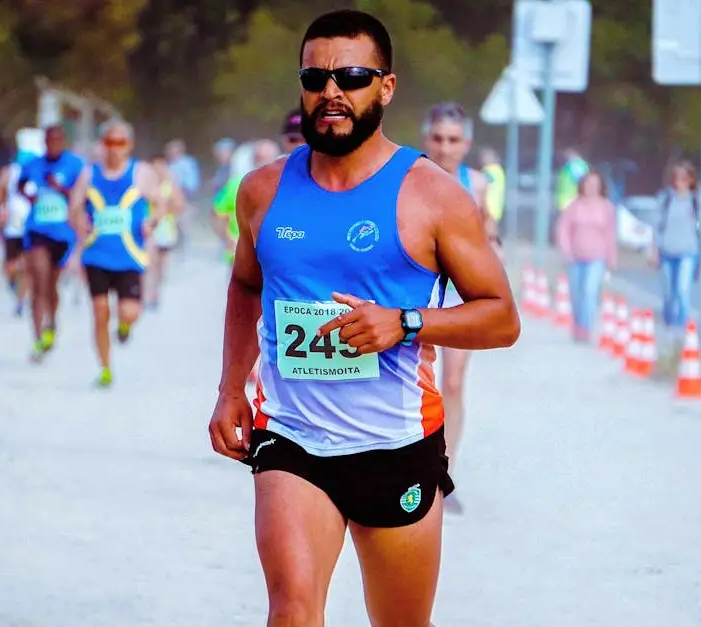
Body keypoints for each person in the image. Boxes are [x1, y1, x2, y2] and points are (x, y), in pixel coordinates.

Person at [207, 9, 520, 625]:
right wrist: (229, 388)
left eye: (350, 76)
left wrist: (403, 323)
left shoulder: (431, 195)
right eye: (315, 76)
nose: (331, 92)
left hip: (396, 445)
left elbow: (501, 318)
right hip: (293, 439)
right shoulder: (261, 190)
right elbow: (245, 283)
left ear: (386, 86)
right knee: (291, 611)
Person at [420, 101, 502, 516]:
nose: (445, 147)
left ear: (466, 143)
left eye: (453, 140)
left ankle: (443, 476)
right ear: (426, 138)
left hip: (459, 293)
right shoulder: (411, 177)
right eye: (438, 138)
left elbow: (488, 233)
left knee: (452, 381)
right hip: (417, 290)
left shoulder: (479, 183)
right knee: (415, 381)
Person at [68, 120, 159, 388]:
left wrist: (151, 222)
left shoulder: (140, 172)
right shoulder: (89, 174)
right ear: (102, 144)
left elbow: (159, 202)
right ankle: (105, 367)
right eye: (109, 142)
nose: (114, 149)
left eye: (120, 143)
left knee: (129, 311)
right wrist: (79, 223)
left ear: (128, 146)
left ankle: (125, 327)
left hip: (130, 255)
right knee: (99, 310)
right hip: (96, 254)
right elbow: (74, 207)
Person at [18, 124, 86, 362]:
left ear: (63, 142)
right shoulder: (34, 164)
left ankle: (52, 321)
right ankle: (37, 339)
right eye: (49, 141)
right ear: (45, 142)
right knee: (39, 280)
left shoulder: (75, 165)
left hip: (63, 233)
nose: (53, 145)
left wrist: (62, 190)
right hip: (37, 229)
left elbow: (82, 195)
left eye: (58, 141)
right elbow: (20, 184)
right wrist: (30, 196)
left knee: (51, 286)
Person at [555, 171, 618, 342]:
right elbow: (563, 230)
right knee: (577, 294)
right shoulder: (574, 206)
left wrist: (612, 258)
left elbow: (610, 234)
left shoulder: (607, 208)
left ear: (600, 187)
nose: (591, 188)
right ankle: (577, 325)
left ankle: (585, 327)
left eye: (595, 185)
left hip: (597, 257)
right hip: (576, 257)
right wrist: (566, 251)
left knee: (589, 292)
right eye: (588, 184)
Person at [0, 133, 42, 317]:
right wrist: (1, 209)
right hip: (13, 225)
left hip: (33, 225)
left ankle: (21, 300)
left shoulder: (41, 173)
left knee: (27, 266)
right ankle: (15, 286)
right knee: (10, 266)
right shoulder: (10, 172)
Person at [652, 159, 701, 329]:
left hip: (688, 252)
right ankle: (669, 320)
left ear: (691, 180)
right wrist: (653, 249)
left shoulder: (697, 202)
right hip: (667, 251)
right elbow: (657, 227)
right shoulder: (666, 200)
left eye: (685, 178)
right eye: (677, 178)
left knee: (682, 290)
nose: (681, 182)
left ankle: (681, 327)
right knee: (669, 293)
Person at [212, 139, 280, 267]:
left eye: (269, 158)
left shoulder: (287, 186)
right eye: (260, 158)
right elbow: (217, 214)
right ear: (254, 160)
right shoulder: (236, 184)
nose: (265, 162)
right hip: (241, 258)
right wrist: (226, 239)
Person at [145, 154, 184, 309]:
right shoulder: (146, 186)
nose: (158, 171)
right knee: (150, 262)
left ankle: (156, 291)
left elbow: (179, 206)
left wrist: (166, 205)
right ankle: (149, 293)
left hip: (166, 229)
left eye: (161, 167)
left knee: (161, 264)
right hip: (150, 229)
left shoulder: (170, 186)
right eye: (155, 168)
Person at [554, 146, 590, 212]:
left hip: (571, 202)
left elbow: (581, 183)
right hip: (567, 202)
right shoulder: (571, 165)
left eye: (568, 152)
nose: (566, 154)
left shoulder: (577, 166)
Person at [478, 146, 505, 225]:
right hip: (496, 208)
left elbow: (482, 183)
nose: (482, 159)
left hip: (489, 207)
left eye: (485, 157)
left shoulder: (489, 170)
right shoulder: (499, 170)